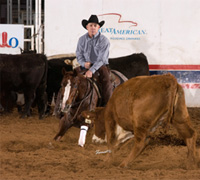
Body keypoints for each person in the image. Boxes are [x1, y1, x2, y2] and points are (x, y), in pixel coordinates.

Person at [76, 14, 112, 106]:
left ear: (98, 27)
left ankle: (107, 105)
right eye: (91, 25)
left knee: (106, 81)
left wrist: (91, 70)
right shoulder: (81, 40)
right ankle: (64, 105)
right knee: (71, 77)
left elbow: (101, 59)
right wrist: (84, 64)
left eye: (95, 25)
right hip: (86, 64)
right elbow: (79, 55)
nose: (93, 27)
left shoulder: (104, 40)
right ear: (87, 27)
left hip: (100, 66)